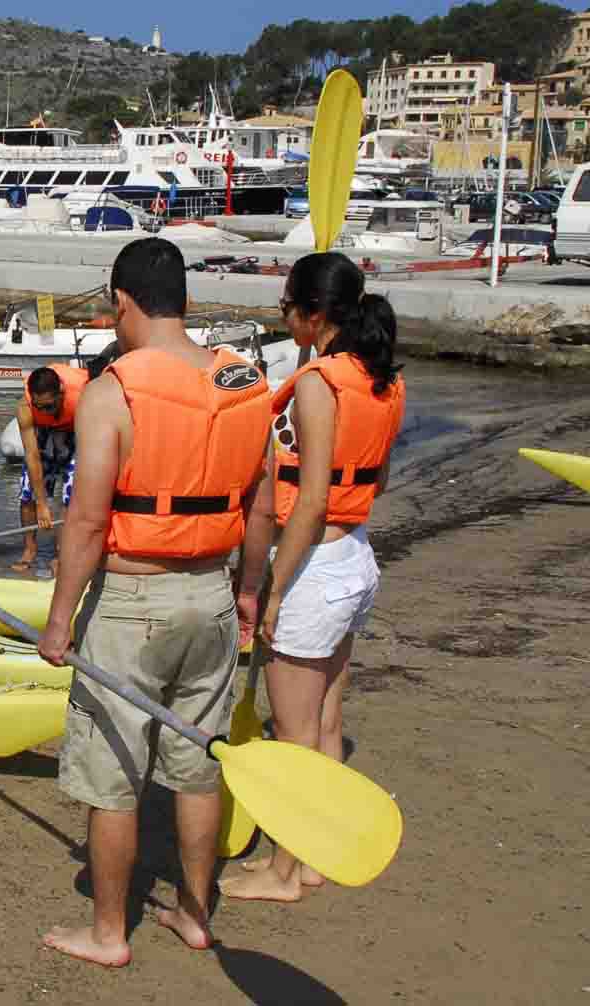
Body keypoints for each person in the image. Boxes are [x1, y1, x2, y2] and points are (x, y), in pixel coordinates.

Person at [35, 237, 274, 968]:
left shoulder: (113, 392)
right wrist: (248, 593)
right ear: (188, 303)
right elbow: (262, 510)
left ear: (122, 304)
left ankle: (110, 934)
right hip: (210, 590)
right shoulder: (247, 381)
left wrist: (59, 618)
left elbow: (86, 520)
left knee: (113, 774)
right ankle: (196, 914)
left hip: (132, 602)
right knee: (199, 767)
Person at [220, 252, 405, 904]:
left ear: (314, 313)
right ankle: (316, 859)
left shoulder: (322, 384)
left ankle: (283, 871)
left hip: (315, 564)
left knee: (291, 735)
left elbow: (313, 499)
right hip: (356, 557)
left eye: (286, 308)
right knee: (326, 720)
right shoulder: (379, 377)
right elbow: (371, 480)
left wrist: (271, 592)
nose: (281, 316)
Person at [11, 362, 89, 577]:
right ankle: (30, 548)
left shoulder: (83, 396)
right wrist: (42, 503)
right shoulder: (26, 407)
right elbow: (32, 456)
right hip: (44, 431)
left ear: (61, 394)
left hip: (74, 429)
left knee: (70, 496)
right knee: (27, 493)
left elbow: (90, 442)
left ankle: (61, 554)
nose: (44, 410)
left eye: (49, 406)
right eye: (39, 407)